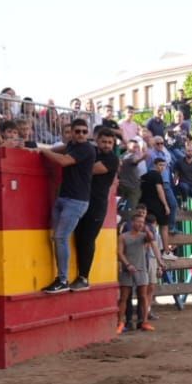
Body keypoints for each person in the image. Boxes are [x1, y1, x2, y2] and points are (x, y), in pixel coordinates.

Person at [37, 118, 96, 293]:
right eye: (77, 131)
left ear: (88, 133)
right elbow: (57, 151)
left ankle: (62, 279)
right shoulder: (72, 145)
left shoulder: (86, 148)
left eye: (84, 132)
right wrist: (38, 149)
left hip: (76, 201)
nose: (81, 135)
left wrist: (40, 150)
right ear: (72, 132)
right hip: (65, 198)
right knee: (58, 238)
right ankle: (61, 278)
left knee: (60, 238)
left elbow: (63, 160)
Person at [71, 124, 123, 290]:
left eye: (110, 142)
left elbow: (90, 169)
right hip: (82, 201)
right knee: (79, 238)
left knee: (87, 239)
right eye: (104, 142)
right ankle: (80, 276)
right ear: (97, 141)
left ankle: (84, 277)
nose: (107, 145)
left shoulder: (112, 159)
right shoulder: (90, 151)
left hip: (97, 205)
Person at [115, 207, 160, 333]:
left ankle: (144, 322)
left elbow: (151, 240)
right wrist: (127, 264)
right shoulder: (123, 236)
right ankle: (120, 322)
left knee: (143, 296)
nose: (140, 224)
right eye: (138, 222)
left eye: (142, 222)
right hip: (127, 269)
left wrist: (147, 229)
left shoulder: (144, 236)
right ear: (132, 222)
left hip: (141, 269)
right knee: (124, 297)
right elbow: (119, 253)